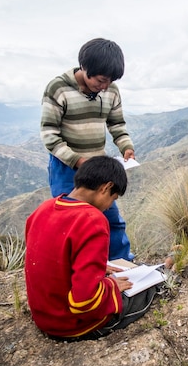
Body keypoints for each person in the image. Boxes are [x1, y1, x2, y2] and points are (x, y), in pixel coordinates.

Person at [24, 156, 158, 340]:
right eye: (113, 198)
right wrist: (110, 285)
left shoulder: (43, 209)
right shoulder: (92, 220)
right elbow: (84, 302)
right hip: (70, 324)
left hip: (44, 316)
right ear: (105, 188)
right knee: (153, 286)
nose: (110, 205)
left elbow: (55, 261)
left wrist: (97, 269)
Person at [40, 37, 134, 261]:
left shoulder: (111, 90)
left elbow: (117, 124)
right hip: (66, 167)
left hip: (98, 167)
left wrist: (125, 147)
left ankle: (122, 265)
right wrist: (77, 160)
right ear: (84, 68)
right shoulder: (58, 88)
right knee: (72, 222)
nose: (104, 86)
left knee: (111, 220)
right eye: (101, 80)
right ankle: (74, 269)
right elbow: (49, 134)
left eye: (109, 81)